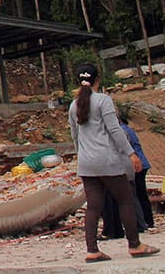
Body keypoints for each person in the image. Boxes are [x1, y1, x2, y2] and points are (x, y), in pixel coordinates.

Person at [68, 64, 159, 263]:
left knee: (93, 207)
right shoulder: (103, 100)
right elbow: (116, 131)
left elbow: (75, 137)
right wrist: (131, 154)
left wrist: (82, 157)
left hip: (86, 164)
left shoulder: (73, 105)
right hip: (108, 161)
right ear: (98, 80)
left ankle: (92, 250)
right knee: (125, 200)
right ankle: (135, 245)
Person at [102, 115, 152, 238]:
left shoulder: (120, 133)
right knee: (138, 196)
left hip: (129, 166)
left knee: (130, 198)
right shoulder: (127, 130)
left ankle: (138, 225)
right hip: (136, 165)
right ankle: (145, 222)